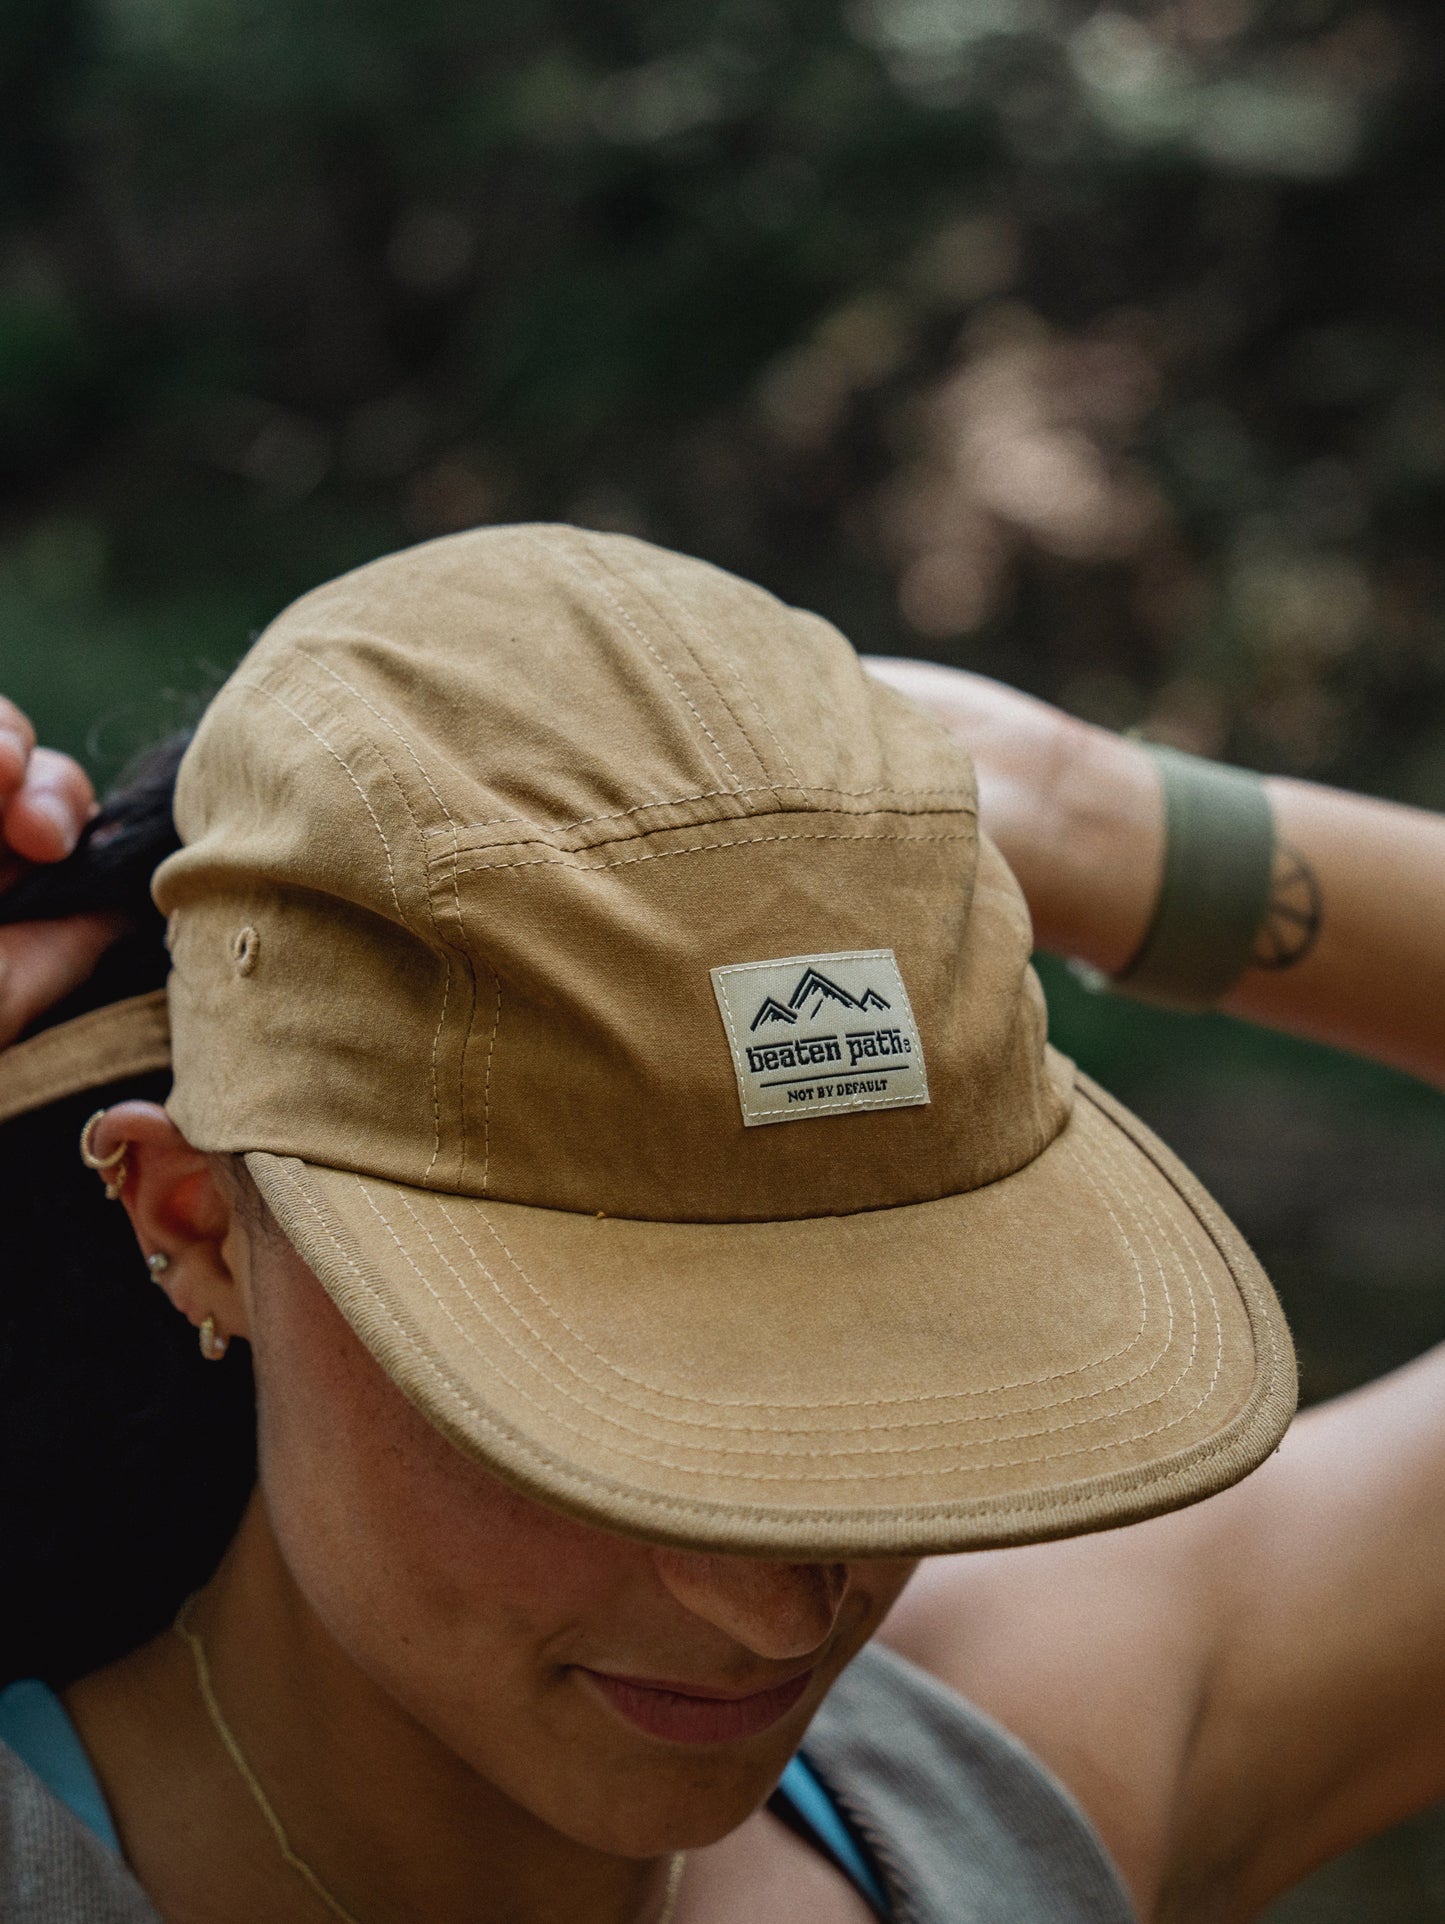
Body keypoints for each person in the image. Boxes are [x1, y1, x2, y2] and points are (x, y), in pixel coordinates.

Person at [0, 523, 1440, 1924]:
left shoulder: (1001, 1778)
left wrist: (1087, 816)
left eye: (894, 1364)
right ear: (197, 1224)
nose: (779, 1614)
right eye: (591, 1410)